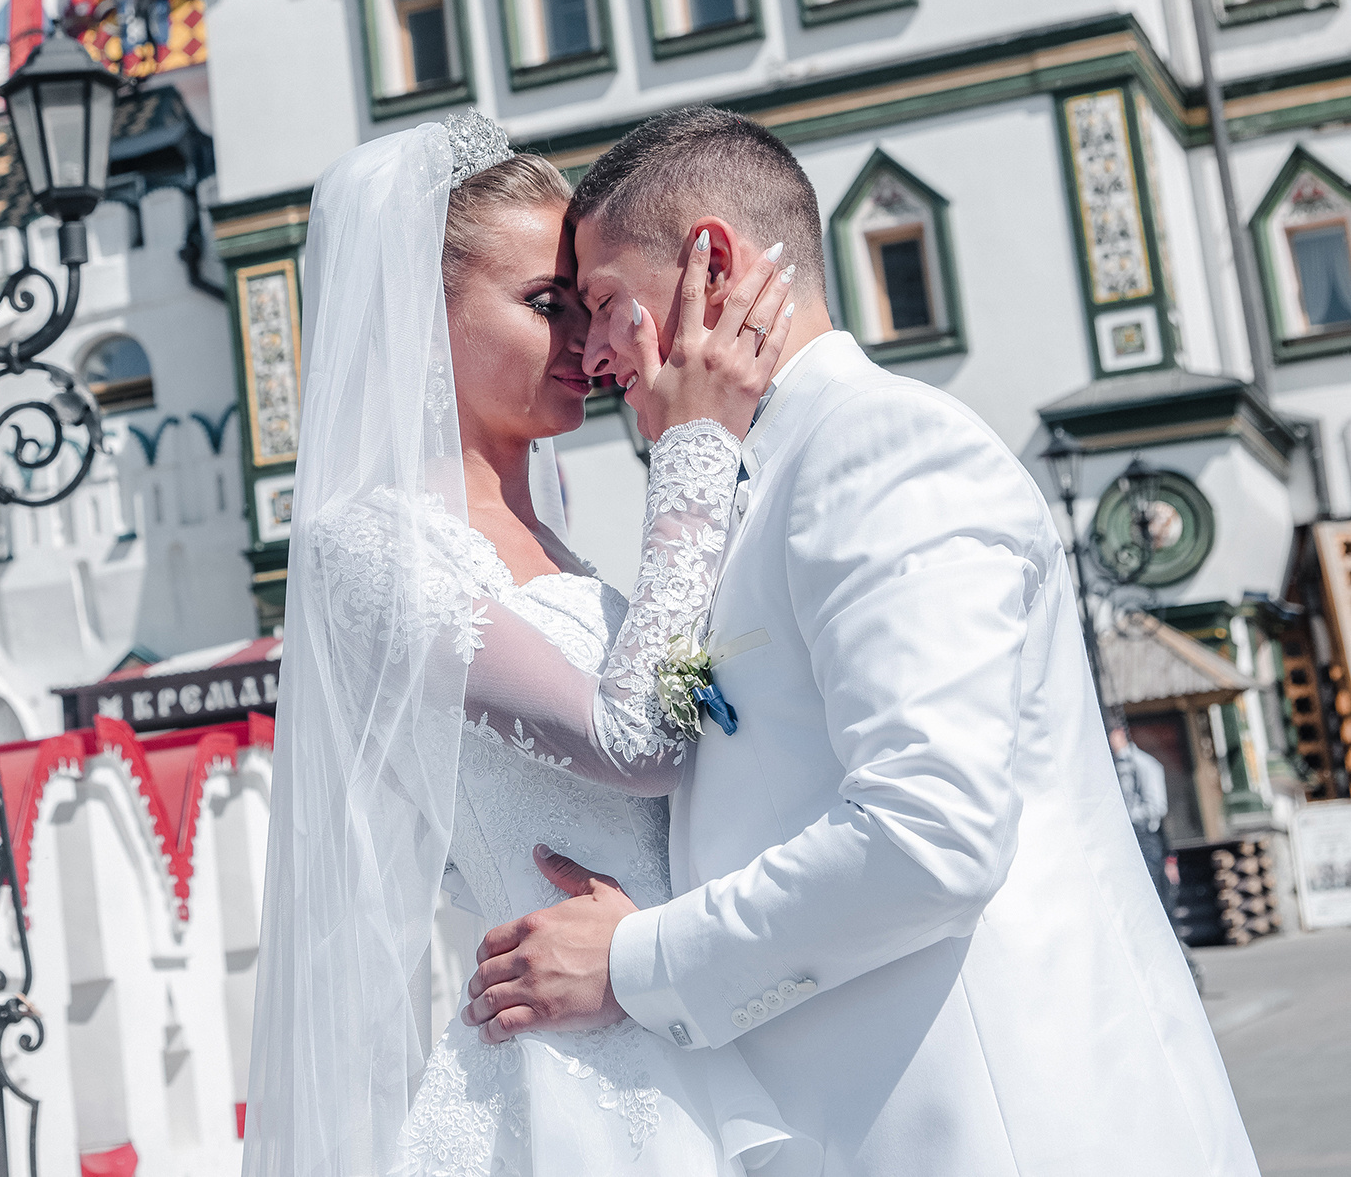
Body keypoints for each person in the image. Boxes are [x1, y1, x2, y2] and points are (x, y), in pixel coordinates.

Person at [459, 107, 1254, 1175]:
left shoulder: (880, 447)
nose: (592, 353)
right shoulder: (758, 482)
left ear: (711, 262)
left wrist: (633, 961)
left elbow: (930, 836)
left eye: (601, 303)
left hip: (996, 1125)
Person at [244, 109, 807, 1177]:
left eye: (588, 309)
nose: (587, 346)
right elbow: (635, 741)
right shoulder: (366, 543)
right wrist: (690, 446)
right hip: (572, 1085)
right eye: (548, 305)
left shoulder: (554, 542)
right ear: (420, 313)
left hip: (681, 1019)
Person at [1112, 722, 1175, 914]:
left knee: (1150, 892)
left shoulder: (1145, 764)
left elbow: (1157, 806)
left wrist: (1127, 816)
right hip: (1122, 837)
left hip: (1144, 837)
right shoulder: (1112, 765)